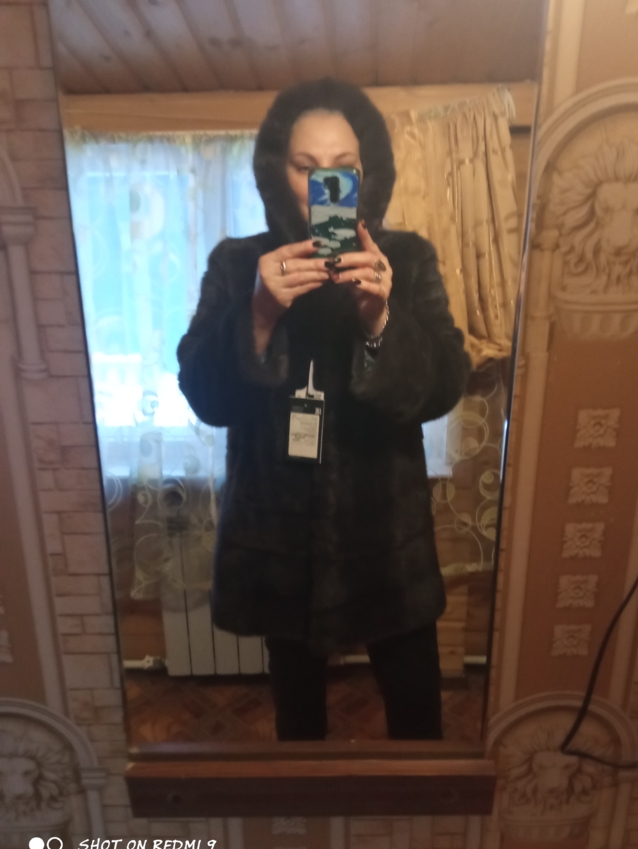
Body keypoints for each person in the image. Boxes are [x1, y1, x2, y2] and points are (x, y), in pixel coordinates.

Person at [176, 78, 471, 741]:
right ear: (275, 173)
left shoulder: (404, 260)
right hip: (279, 546)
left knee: (417, 718)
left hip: (387, 546)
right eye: (306, 167)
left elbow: (443, 387)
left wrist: (381, 319)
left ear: (368, 174)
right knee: (298, 726)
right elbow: (204, 396)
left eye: (343, 168)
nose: (324, 186)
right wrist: (258, 314)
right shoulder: (239, 265)